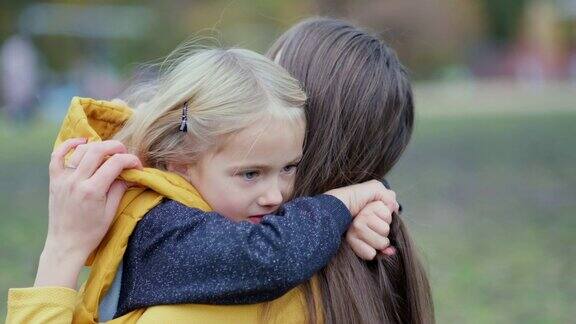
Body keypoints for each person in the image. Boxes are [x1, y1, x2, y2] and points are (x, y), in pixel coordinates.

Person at [7, 17, 433, 324]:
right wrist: (360, 199)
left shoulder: (225, 290)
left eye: (288, 167)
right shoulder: (375, 268)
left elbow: (265, 256)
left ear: (307, 138)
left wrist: (61, 251)